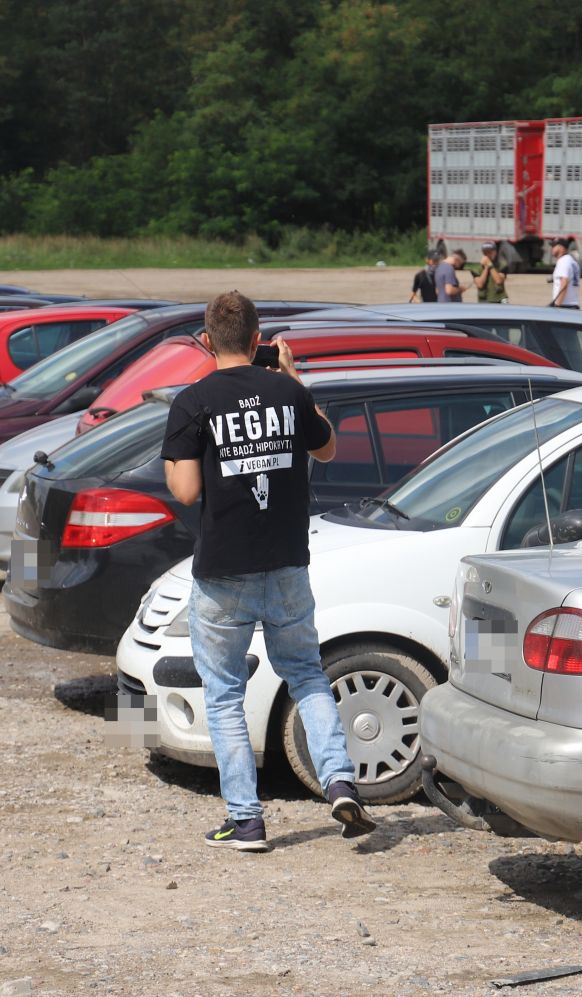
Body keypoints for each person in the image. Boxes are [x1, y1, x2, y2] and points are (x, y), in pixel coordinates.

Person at [161, 290, 376, 852]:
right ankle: (338, 779)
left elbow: (184, 489)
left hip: (223, 571)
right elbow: (326, 450)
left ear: (206, 342)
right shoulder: (286, 391)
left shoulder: (192, 402)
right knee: (305, 673)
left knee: (225, 694)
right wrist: (295, 378)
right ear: (259, 341)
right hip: (286, 564)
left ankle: (247, 820)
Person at [550, 238, 580, 309]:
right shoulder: (572, 262)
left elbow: (564, 283)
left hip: (565, 305)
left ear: (561, 247)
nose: (552, 248)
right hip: (573, 304)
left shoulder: (563, 261)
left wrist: (557, 305)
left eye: (554, 246)